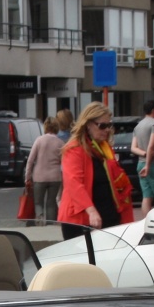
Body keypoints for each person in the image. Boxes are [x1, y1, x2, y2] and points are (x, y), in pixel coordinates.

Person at [57, 102, 133, 240]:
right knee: (83, 261)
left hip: (109, 219)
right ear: (88, 125)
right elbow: (73, 183)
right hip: (82, 220)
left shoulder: (104, 148)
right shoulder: (74, 149)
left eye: (109, 125)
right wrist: (91, 210)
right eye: (102, 126)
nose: (107, 130)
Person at [24, 117, 64, 222]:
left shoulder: (39, 140)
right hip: (55, 177)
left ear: (45, 127)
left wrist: (27, 177)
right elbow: (64, 163)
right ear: (57, 128)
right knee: (51, 203)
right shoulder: (60, 143)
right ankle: (50, 225)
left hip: (39, 177)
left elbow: (30, 160)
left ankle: (39, 221)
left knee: (38, 202)